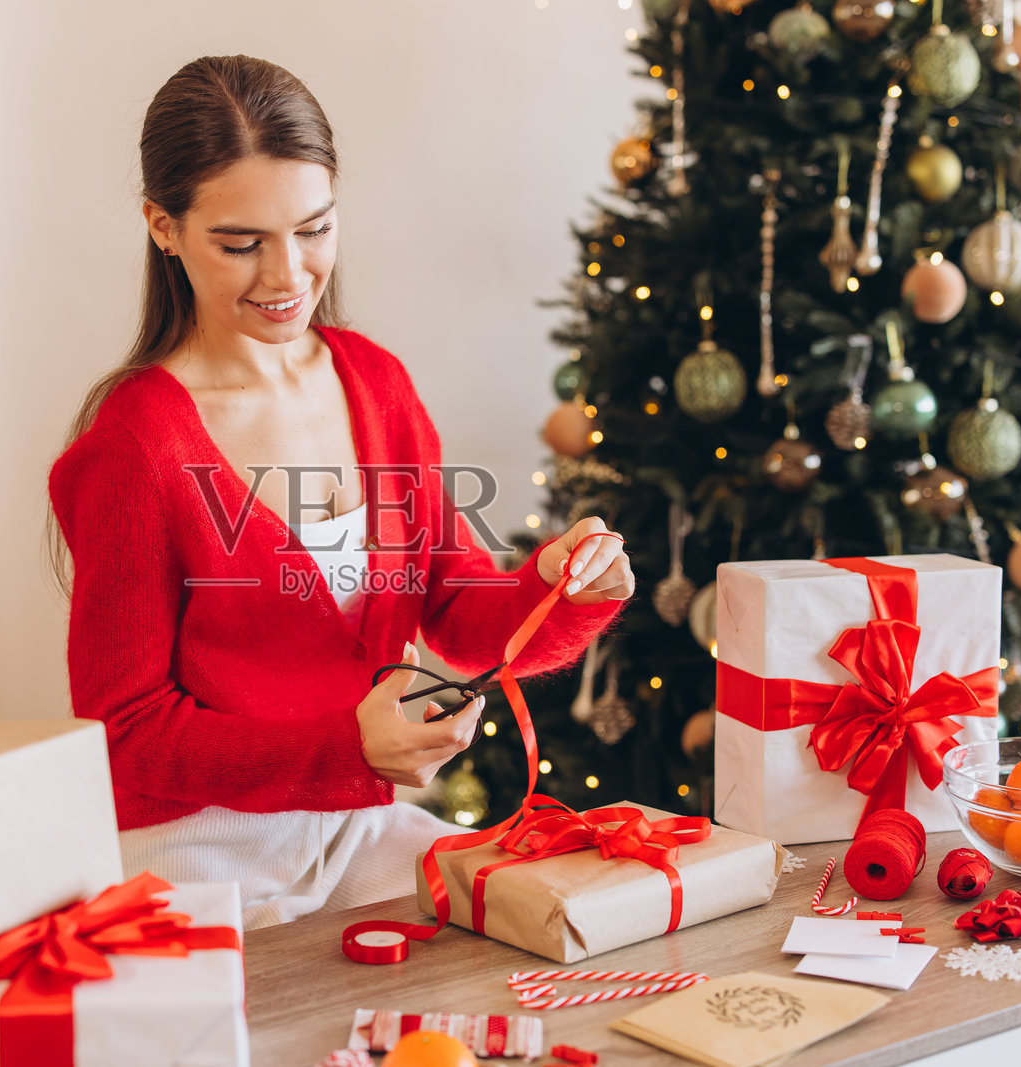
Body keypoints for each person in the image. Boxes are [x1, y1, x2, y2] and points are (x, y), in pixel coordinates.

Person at [48, 54, 634, 930]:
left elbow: (457, 610)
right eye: (241, 243)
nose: (288, 275)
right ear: (163, 227)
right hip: (200, 845)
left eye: (314, 229)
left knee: (517, 948)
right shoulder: (136, 446)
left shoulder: (375, 383)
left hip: (357, 826)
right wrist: (345, 748)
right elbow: (125, 729)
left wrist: (562, 588)